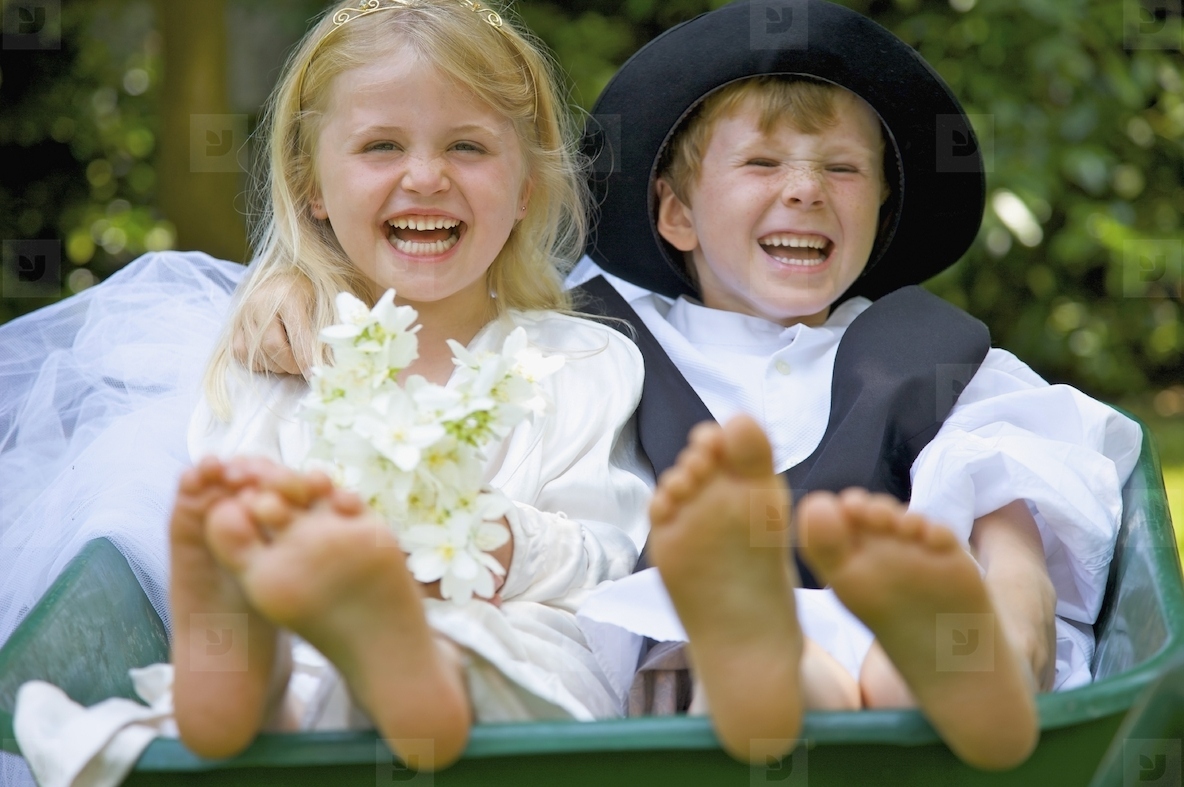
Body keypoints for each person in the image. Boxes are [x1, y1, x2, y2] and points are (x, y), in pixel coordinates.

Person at [226, 0, 1142, 773]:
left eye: (841, 169)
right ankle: (777, 648)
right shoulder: (603, 332)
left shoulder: (935, 350)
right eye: (761, 165)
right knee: (765, 670)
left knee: (942, 642)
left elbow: (1014, 483)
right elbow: (450, 303)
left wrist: (1012, 614)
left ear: (883, 213)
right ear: (672, 212)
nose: (804, 192)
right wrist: (301, 282)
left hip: (918, 631)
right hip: (712, 646)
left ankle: (975, 659)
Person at [2, 0, 651, 779]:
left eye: (468, 146)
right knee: (281, 655)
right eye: (381, 145)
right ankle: (245, 686)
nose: (425, 176)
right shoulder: (284, 350)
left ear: (525, 188)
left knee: (474, 656)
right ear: (311, 186)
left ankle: (395, 668)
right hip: (303, 652)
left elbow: (606, 552)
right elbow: (243, 505)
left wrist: (487, 540)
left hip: (507, 655)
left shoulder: (579, 361)